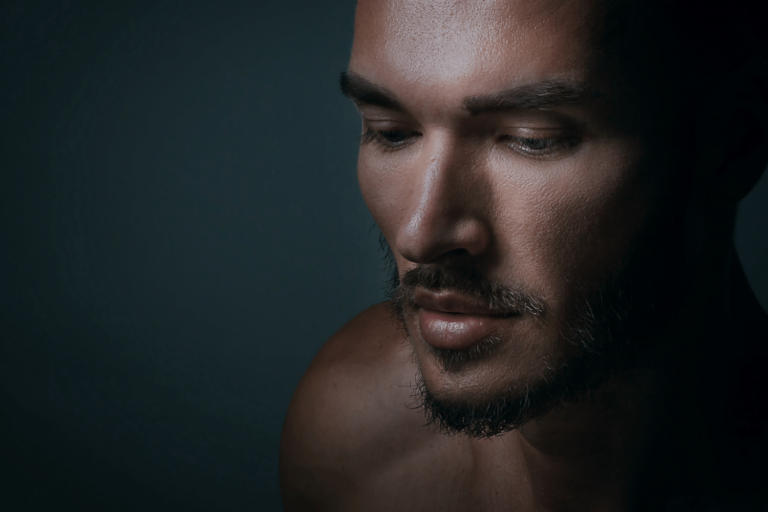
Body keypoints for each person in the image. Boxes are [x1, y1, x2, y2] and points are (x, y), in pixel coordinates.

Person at [279, 0, 768, 509]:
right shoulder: (353, 441)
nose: (419, 236)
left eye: (531, 140)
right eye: (391, 132)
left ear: (733, 145)